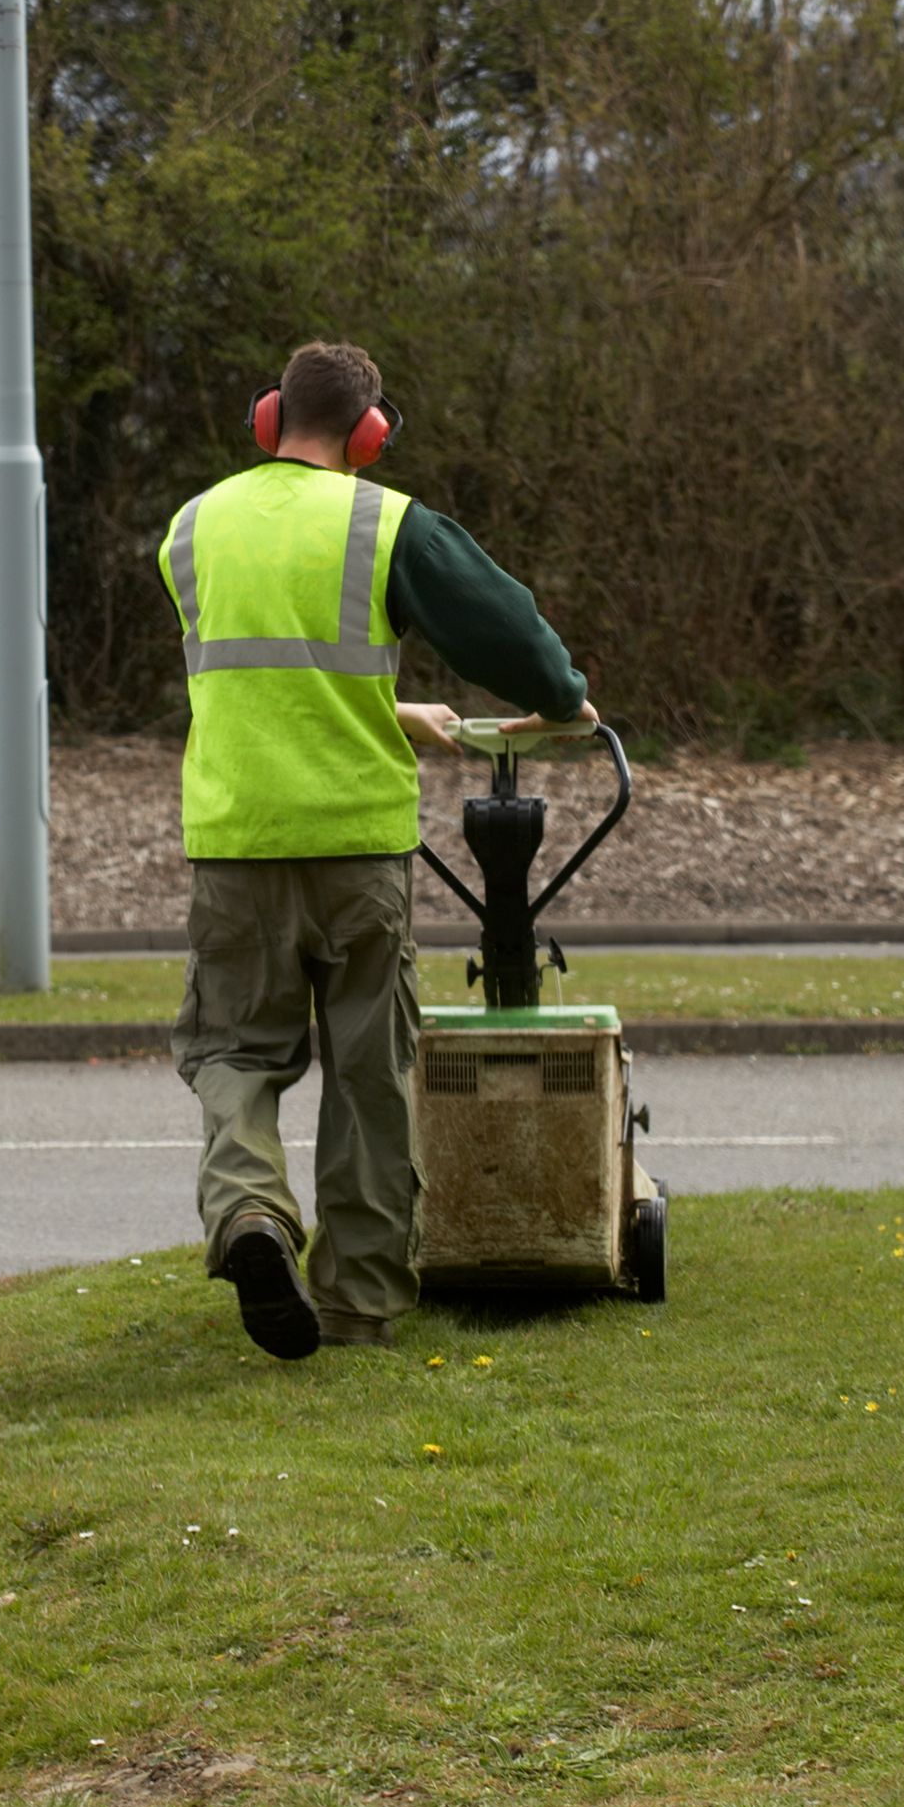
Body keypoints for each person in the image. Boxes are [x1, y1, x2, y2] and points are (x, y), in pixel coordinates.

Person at [159, 337, 595, 1360]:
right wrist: (563, 698)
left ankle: (250, 1210)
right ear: (369, 434)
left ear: (269, 419)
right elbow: (506, 628)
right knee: (369, 1076)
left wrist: (391, 707)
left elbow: (262, 678)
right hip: (356, 847)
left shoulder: (193, 527)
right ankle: (356, 1303)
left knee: (234, 1053)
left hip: (235, 845)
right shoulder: (384, 523)